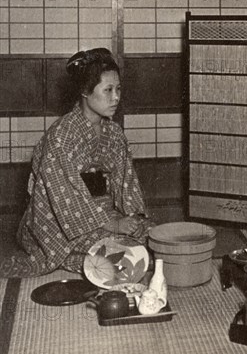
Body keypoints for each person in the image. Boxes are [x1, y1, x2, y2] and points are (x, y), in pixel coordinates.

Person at [16, 48, 153, 275]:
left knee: (152, 238)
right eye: (107, 90)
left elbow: (126, 182)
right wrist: (112, 225)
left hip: (104, 214)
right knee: (120, 258)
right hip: (59, 220)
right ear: (85, 92)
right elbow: (65, 197)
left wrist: (133, 216)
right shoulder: (62, 136)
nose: (116, 97)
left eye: (118, 89)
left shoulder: (114, 133)